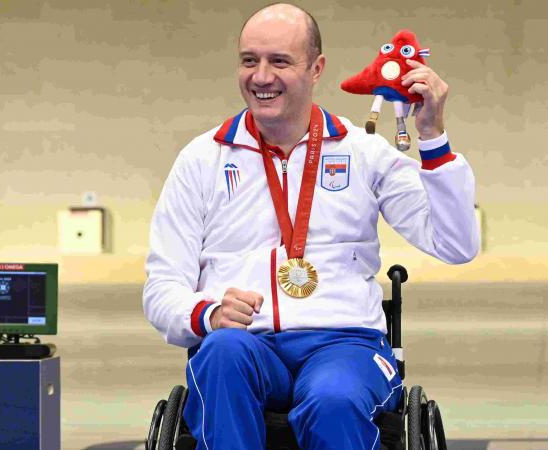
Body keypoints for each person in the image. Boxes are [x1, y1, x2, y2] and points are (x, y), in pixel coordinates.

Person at [143, 3, 479, 449]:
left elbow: (455, 244)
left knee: (333, 398)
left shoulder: (363, 153)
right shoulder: (203, 159)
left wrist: (433, 138)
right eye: (249, 61)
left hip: (345, 344)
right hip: (244, 344)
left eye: (279, 61)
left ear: (316, 68)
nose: (261, 77)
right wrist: (207, 314)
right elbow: (162, 286)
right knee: (221, 355)